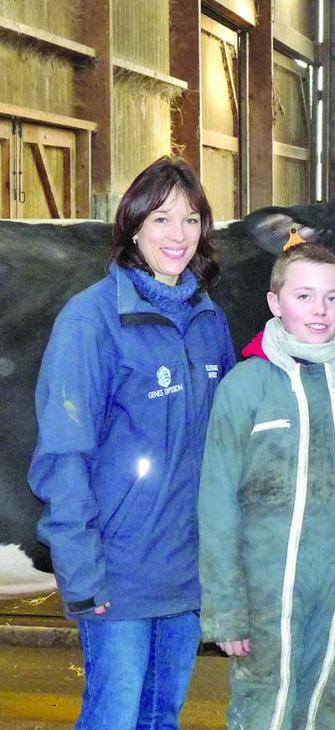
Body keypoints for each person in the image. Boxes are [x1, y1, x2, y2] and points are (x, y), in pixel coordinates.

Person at [28, 157, 236, 729]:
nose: (178, 236)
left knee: (161, 717)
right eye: (162, 219)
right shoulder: (91, 320)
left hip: (186, 569)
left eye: (191, 220)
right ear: (134, 225)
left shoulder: (207, 319)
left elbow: (220, 449)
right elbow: (64, 454)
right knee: (114, 718)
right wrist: (80, 569)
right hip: (118, 571)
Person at [198, 241, 335, 729]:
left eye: (332, 297)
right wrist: (225, 612)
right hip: (267, 598)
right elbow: (217, 505)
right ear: (274, 302)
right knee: (266, 709)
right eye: (304, 296)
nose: (320, 310)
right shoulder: (245, 386)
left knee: (331, 709)